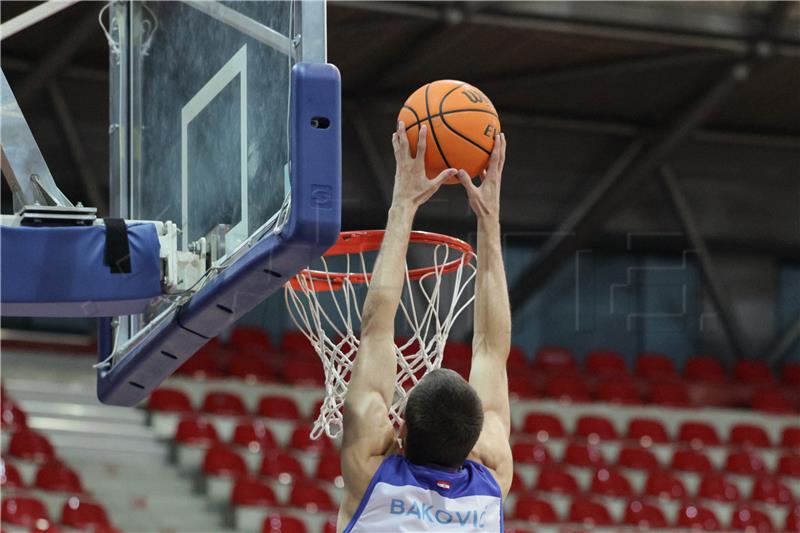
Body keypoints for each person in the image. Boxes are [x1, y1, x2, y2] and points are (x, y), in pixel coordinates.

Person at [336, 120, 512, 532]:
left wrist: (404, 203)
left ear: (400, 430)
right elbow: (491, 348)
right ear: (475, 444)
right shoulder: (491, 483)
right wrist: (490, 223)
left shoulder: (370, 476)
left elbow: (377, 325)